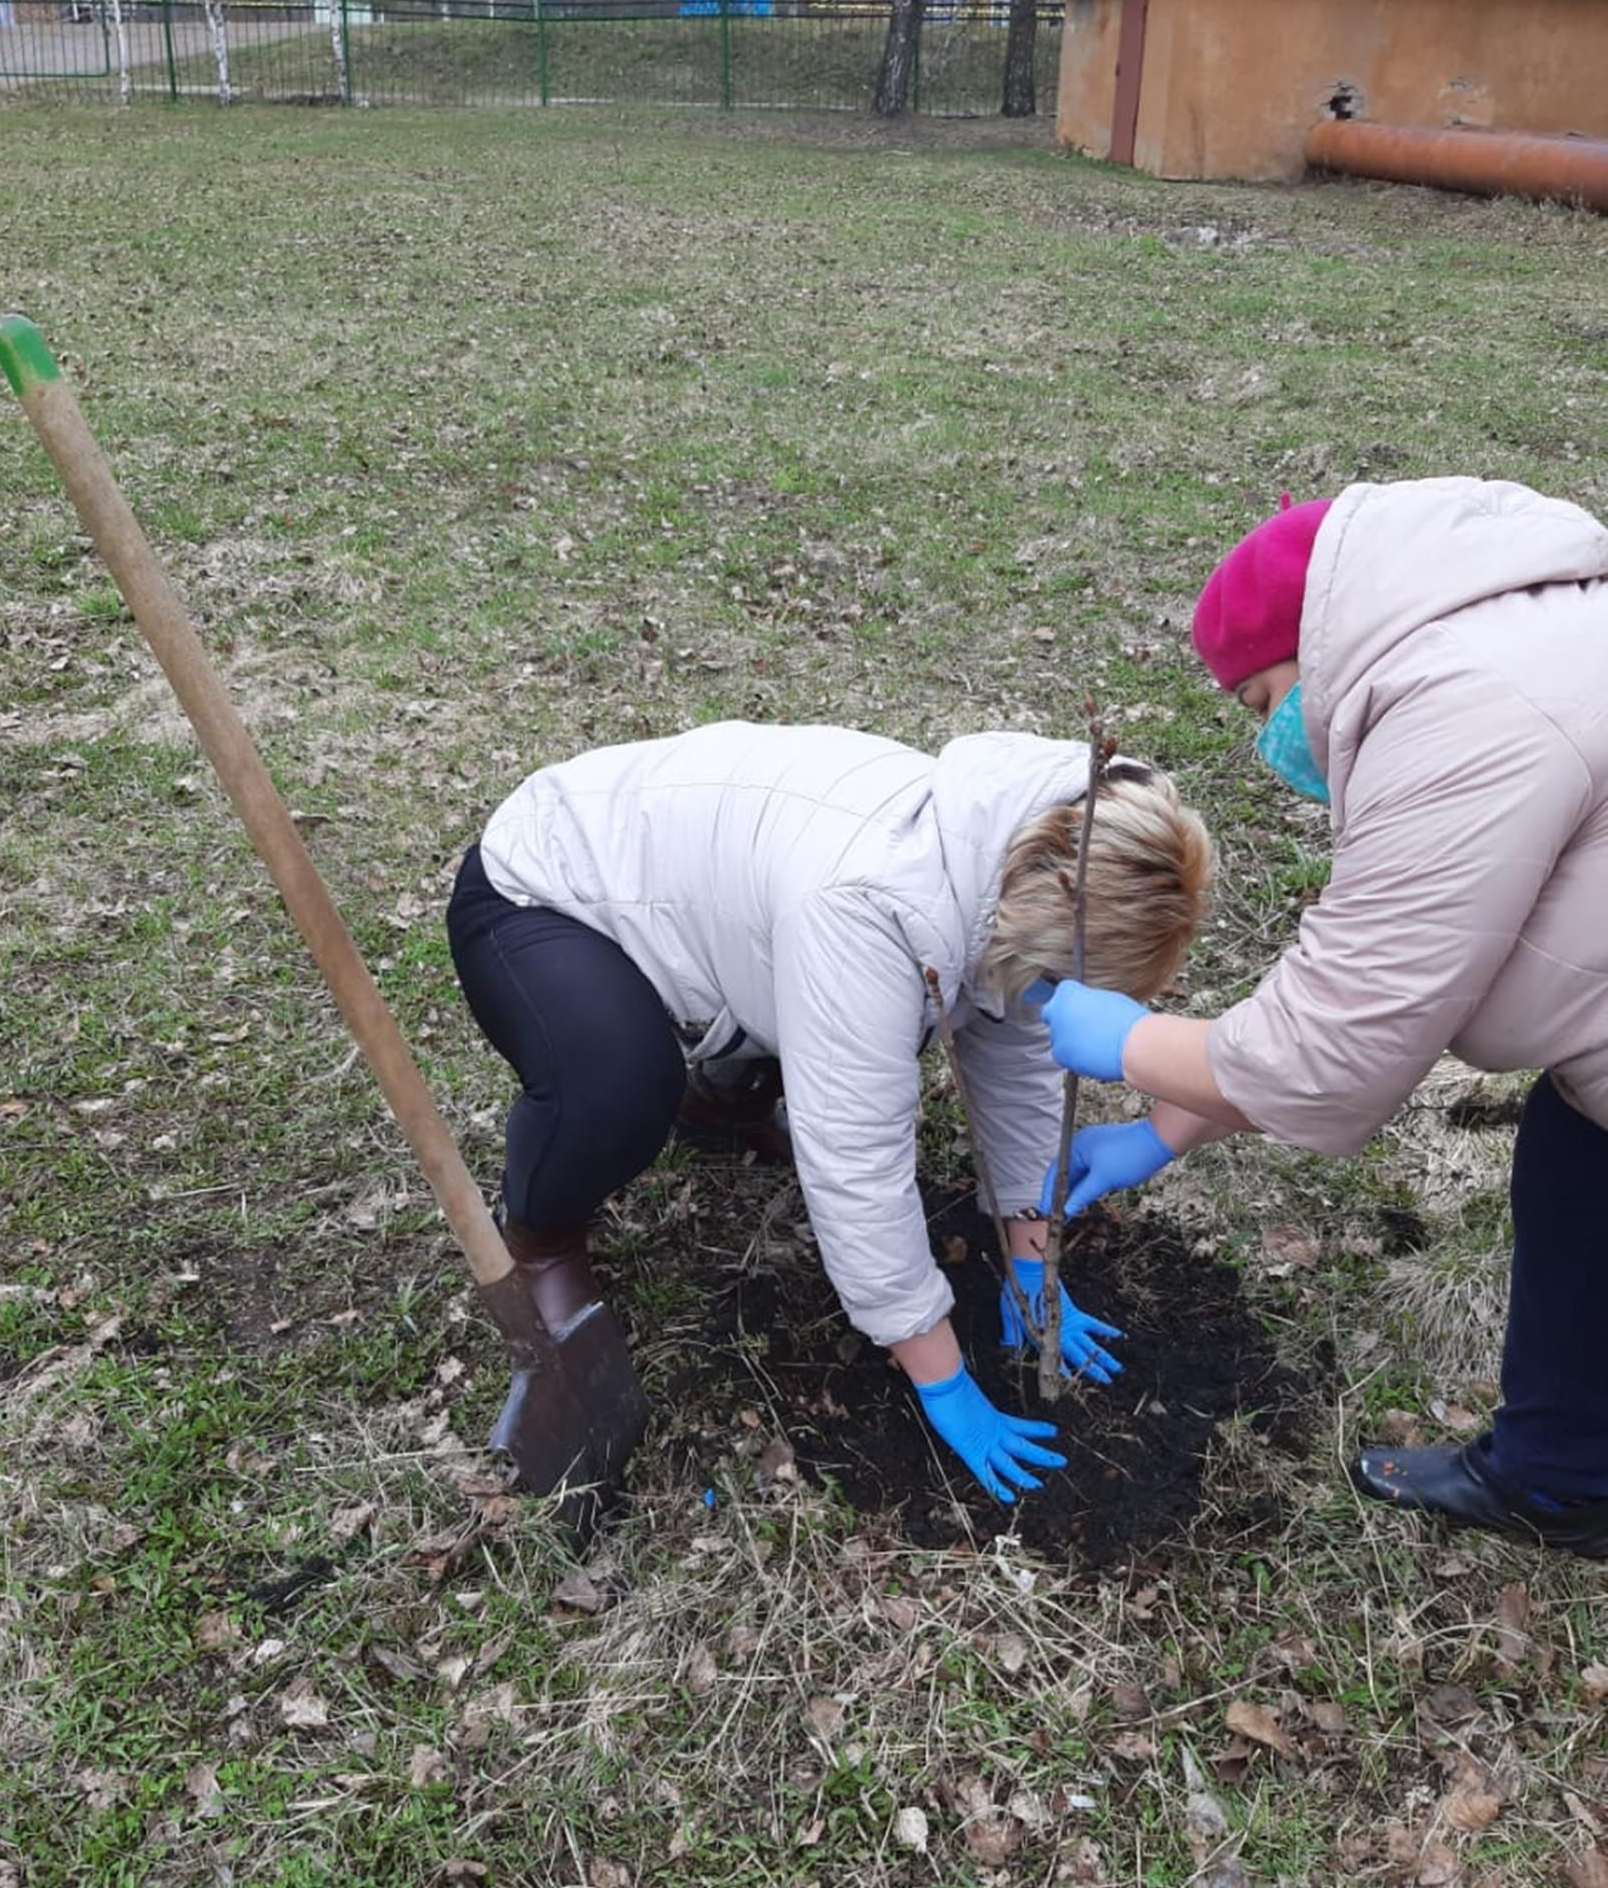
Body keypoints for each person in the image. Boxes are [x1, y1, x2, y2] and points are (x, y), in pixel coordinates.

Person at [1038, 479, 1608, 1558]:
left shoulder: (1466, 704)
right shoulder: (1504, 637)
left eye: (1262, 702)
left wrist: (1123, 1043)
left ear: (1317, 640)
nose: (1271, 744)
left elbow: (1335, 1057)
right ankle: (1559, 1475)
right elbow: (1397, 996)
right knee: (1578, 1149)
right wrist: (1167, 1129)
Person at [446, 722, 1212, 1506]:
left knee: (874, 1016)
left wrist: (1028, 1254)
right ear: (1039, 924)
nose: (1048, 997)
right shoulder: (870, 904)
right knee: (618, 1087)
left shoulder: (1011, 866)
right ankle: (540, 1233)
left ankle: (721, 1098)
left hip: (715, 914)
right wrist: (942, 1377)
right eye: (1055, 979)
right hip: (545, 893)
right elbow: (854, 1162)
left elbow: (1017, 1060)